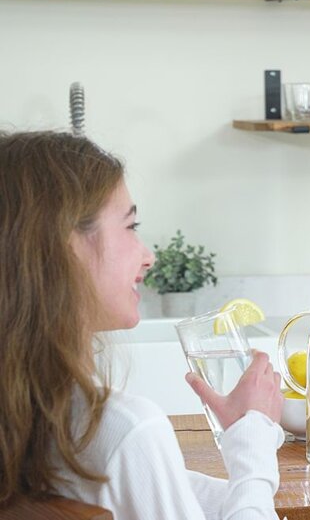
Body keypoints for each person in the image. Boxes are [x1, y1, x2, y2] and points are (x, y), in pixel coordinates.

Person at [0, 131, 286, 519]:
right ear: (66, 247)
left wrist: (241, 478)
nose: (148, 256)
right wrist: (252, 451)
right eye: (131, 227)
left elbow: (155, 487)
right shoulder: (122, 430)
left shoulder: (32, 419)